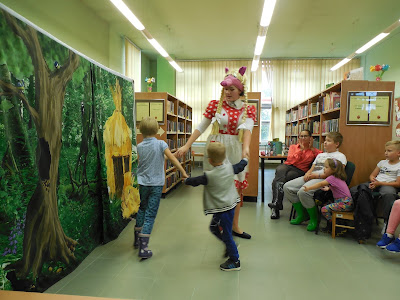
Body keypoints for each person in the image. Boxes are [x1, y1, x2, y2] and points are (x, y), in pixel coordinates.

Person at [175, 66, 256, 239]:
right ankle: (220, 223)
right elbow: (201, 127)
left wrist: (246, 148)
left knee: (236, 191)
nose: (227, 92)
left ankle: (234, 226)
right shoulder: (215, 105)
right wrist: (187, 145)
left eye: (231, 89)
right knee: (218, 187)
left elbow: (248, 129)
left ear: (240, 90)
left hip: (235, 148)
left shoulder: (247, 108)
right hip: (216, 149)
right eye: (225, 89)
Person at [184, 142, 248, 271]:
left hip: (222, 210)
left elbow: (196, 181)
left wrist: (186, 180)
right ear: (224, 157)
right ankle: (229, 244)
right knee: (215, 228)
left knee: (224, 232)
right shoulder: (230, 168)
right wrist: (245, 159)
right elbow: (240, 166)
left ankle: (235, 260)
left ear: (210, 160)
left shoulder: (209, 176)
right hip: (230, 206)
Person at [134, 117, 188, 259]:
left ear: (140, 131)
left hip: (143, 183)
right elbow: (172, 159)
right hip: (156, 184)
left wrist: (168, 156)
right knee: (151, 214)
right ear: (157, 130)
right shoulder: (161, 144)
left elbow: (147, 161)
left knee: (142, 208)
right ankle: (143, 248)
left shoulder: (140, 146)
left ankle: (137, 239)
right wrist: (183, 172)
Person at [283, 132, 346, 231]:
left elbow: (337, 173)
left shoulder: (340, 156)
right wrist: (308, 173)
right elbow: (312, 167)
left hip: (324, 179)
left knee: (303, 191)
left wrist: (317, 175)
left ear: (336, 144)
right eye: (325, 140)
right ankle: (302, 214)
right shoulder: (321, 155)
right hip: (312, 176)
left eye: (328, 141)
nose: (325, 143)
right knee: (287, 187)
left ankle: (314, 218)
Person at [268, 130, 322, 219]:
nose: (303, 138)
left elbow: (322, 157)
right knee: (280, 170)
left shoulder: (314, 151)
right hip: (288, 165)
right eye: (301, 136)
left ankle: (276, 207)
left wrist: (311, 148)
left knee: (279, 180)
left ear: (310, 138)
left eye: (305, 136)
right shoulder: (293, 147)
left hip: (300, 170)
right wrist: (301, 150)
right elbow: (291, 160)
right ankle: (277, 204)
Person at [350, 140, 400, 232]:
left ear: (398, 153)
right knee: (354, 189)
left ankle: (387, 222)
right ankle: (360, 216)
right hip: (377, 183)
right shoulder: (382, 162)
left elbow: (398, 183)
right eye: (385, 151)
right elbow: (372, 175)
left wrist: (379, 183)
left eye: (389, 151)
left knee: (388, 194)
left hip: (388, 185)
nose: (386, 153)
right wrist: (373, 180)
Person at [303, 158, 352, 232]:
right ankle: (334, 225)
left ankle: (336, 225)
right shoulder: (338, 177)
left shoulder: (331, 178)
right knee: (325, 205)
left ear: (334, 169)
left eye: (326, 167)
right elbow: (338, 188)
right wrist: (328, 188)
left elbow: (320, 184)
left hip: (344, 203)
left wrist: (309, 188)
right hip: (346, 202)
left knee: (324, 209)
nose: (324, 169)